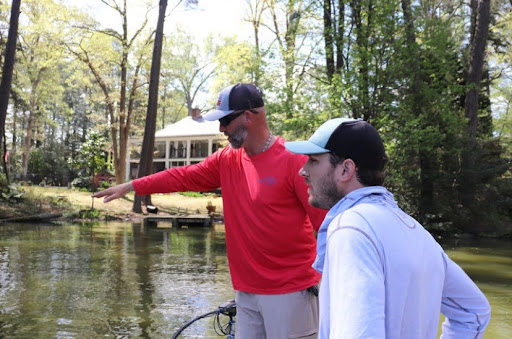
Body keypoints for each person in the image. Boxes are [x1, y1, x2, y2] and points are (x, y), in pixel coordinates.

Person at [92, 83, 327, 338]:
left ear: (248, 117)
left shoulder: (293, 161)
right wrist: (133, 185)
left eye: (225, 120)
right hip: (246, 294)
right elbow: (182, 176)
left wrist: (331, 290)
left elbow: (325, 227)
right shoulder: (227, 159)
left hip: (291, 294)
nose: (221, 128)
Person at [284, 118, 491, 338]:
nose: (303, 171)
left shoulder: (350, 229)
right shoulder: (418, 232)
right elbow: (473, 313)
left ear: (345, 169)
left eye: (314, 161)